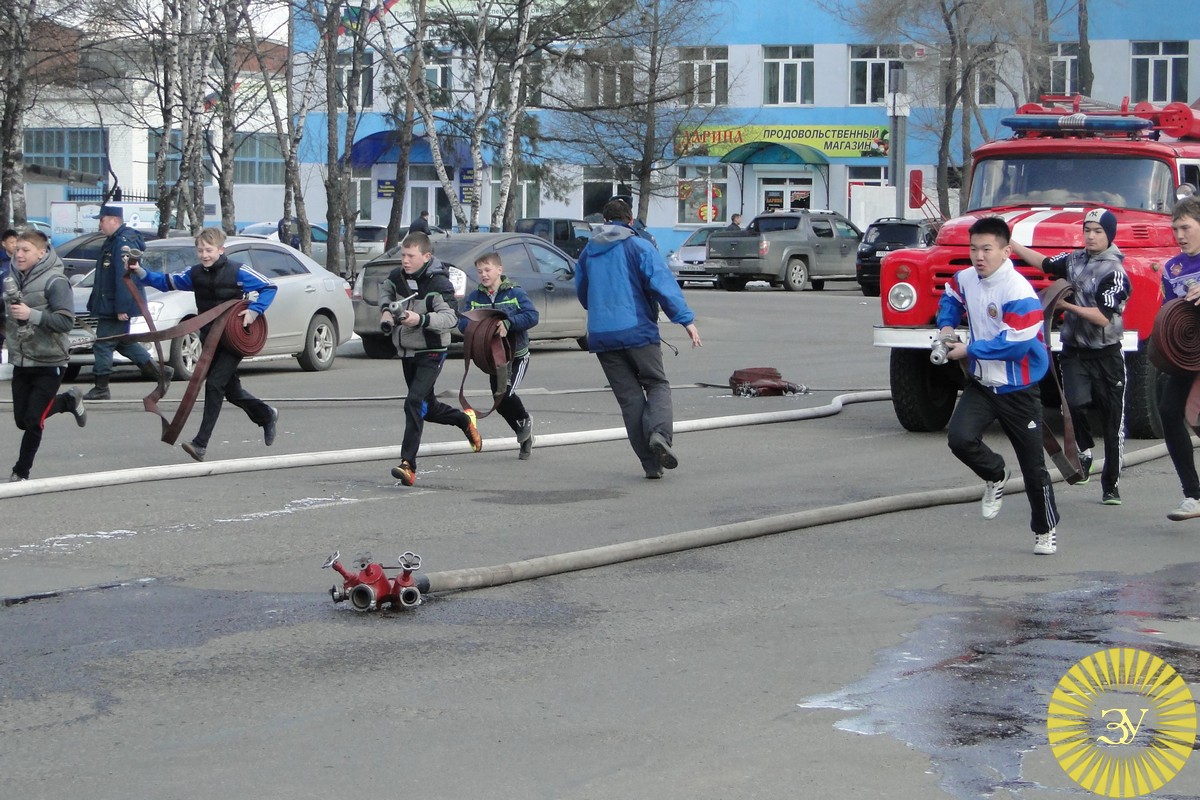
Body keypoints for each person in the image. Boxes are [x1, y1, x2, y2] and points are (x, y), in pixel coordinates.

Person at [937, 216, 1060, 554]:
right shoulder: (966, 278)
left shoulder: (1018, 291)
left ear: (1006, 251)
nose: (979, 256)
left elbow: (1017, 345)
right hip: (981, 382)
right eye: (974, 248)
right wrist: (947, 327)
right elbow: (951, 295)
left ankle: (1045, 529)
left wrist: (968, 349)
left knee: (1033, 466)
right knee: (959, 438)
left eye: (987, 249)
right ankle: (994, 474)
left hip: (1018, 388)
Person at [1010, 208, 1130, 506]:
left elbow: (1103, 317)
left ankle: (1111, 486)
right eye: (1087, 230)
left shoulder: (1115, 271)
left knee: (1112, 422)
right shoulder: (1074, 260)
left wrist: (1066, 305)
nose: (1090, 235)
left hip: (1107, 354)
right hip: (1074, 351)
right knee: (1073, 404)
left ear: (1109, 235)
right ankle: (1085, 451)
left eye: (1098, 231)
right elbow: (1045, 263)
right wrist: (1011, 244)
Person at [575, 198, 702, 479]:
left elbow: (583, 293)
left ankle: (650, 465)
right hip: (637, 331)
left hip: (601, 336)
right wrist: (686, 321)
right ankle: (659, 435)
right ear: (630, 220)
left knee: (630, 400)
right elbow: (662, 285)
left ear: (604, 221)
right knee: (656, 384)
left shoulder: (588, 251)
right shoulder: (638, 246)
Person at [128, 227, 278, 462]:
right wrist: (140, 272)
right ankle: (266, 415)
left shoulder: (238, 271)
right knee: (231, 390)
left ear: (221, 249)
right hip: (209, 340)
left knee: (214, 385)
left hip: (232, 339)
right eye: (200, 250)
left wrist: (254, 311)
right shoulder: (195, 273)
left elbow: (269, 287)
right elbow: (168, 282)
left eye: (209, 250)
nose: (204, 255)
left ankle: (200, 443)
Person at [381, 231, 481, 486]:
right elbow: (385, 293)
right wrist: (386, 312)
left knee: (413, 401)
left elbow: (451, 319)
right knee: (426, 407)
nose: (405, 260)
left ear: (426, 257)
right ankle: (463, 420)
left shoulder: (439, 284)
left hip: (432, 350)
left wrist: (421, 319)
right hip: (407, 351)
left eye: (410, 256)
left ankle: (408, 465)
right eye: (403, 255)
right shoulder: (397, 277)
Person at [6, 230, 87, 481]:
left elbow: (65, 321)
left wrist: (31, 314)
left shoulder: (55, 281)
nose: (19, 254)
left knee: (33, 420)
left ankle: (21, 472)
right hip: (22, 359)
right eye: (17, 249)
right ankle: (67, 401)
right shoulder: (11, 278)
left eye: (25, 250)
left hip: (50, 359)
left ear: (41, 253)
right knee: (21, 420)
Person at [83, 205, 172, 400]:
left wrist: (122, 307)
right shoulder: (113, 241)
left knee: (103, 344)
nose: (100, 224)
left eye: (102, 220)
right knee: (123, 343)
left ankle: (101, 388)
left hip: (116, 305)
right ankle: (160, 372)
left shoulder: (122, 243)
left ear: (114, 220)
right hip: (110, 303)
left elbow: (125, 277)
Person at [458, 251, 539, 459]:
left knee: (507, 393)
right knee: (498, 400)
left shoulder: (515, 293)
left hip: (517, 355)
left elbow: (532, 316)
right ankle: (524, 435)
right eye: (479, 271)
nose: (483, 275)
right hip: (493, 358)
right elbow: (463, 323)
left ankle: (524, 420)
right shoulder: (475, 298)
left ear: (499, 270)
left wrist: (508, 323)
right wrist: (481, 326)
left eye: (487, 270)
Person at [1156, 196, 1200, 521]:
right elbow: (1171, 316)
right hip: (1189, 353)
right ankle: (1193, 495)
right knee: (1170, 412)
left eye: (1186, 227)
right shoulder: (1173, 267)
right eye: (1175, 228)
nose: (1179, 234)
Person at [0, 228, 16, 356]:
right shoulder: (1, 262)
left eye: (17, 242)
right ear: (4, 244)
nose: (15, 245)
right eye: (12, 242)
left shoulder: (20, 261)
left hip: (14, 307)